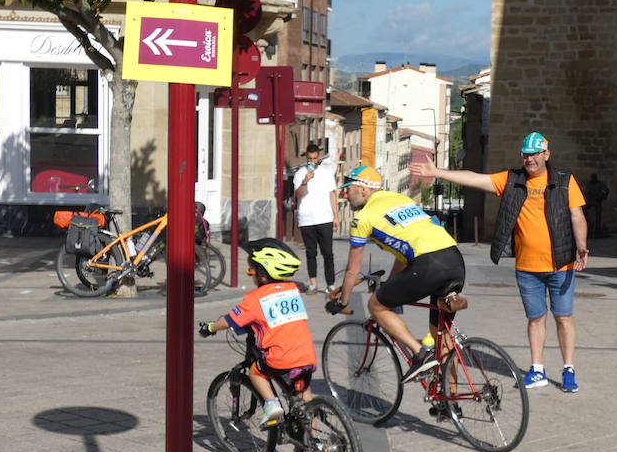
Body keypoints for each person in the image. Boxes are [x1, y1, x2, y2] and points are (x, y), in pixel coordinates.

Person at [411, 132, 588, 393]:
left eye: (535, 154)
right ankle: (537, 369)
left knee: (563, 317)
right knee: (535, 318)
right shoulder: (512, 180)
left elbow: (577, 216)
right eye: (526, 154)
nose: (530, 159)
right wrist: (438, 171)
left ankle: (568, 369)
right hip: (527, 267)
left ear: (546, 155)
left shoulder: (564, 180)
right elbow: (475, 178)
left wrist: (581, 245)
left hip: (560, 264)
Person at [329, 165, 465, 384]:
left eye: (349, 188)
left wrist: (342, 301)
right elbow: (404, 254)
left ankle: (420, 353)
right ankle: (451, 401)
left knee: (376, 305)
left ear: (363, 190)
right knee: (442, 335)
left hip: (428, 265)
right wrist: (391, 284)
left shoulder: (362, 218)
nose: (346, 193)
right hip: (454, 259)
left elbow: (352, 270)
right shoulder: (401, 199)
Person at [198, 239, 316, 427]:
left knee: (256, 372)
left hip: (280, 357)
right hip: (306, 355)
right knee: (305, 397)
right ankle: (315, 443)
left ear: (261, 274)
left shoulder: (254, 298)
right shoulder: (292, 289)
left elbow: (229, 320)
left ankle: (272, 406)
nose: (250, 273)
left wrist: (210, 327)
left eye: (251, 269)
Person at [292, 142, 339, 295]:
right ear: (306, 158)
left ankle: (330, 284)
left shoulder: (327, 172)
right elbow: (298, 195)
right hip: (306, 219)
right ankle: (313, 284)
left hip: (325, 217)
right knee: (311, 253)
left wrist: (336, 216)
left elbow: (332, 195)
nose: (312, 162)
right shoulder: (300, 174)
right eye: (309, 159)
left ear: (319, 158)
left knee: (328, 253)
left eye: (314, 159)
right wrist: (305, 181)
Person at [584, 173, 610, 238]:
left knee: (598, 218)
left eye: (594, 177)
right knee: (588, 218)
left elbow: (606, 190)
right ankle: (589, 232)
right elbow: (586, 192)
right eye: (592, 177)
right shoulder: (589, 184)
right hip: (590, 203)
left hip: (597, 202)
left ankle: (597, 232)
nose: (593, 178)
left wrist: (601, 196)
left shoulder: (600, 184)